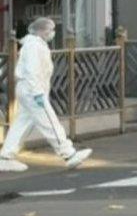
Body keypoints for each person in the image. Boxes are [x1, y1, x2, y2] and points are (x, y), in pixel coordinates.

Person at [0, 18, 92, 172]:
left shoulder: (35, 45)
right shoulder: (34, 46)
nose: (52, 33)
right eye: (50, 30)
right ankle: (68, 154)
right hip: (32, 91)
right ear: (41, 31)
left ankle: (5, 157)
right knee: (50, 123)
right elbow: (32, 71)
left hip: (29, 89)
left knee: (21, 124)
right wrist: (37, 93)